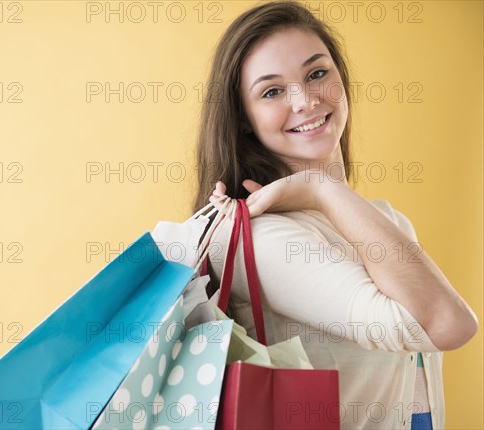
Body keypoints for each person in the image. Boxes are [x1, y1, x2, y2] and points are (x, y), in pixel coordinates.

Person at [192, 1, 479, 429]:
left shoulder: (385, 220)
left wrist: (329, 195)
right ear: (244, 119)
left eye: (317, 73)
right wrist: (324, 187)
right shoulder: (264, 240)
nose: (306, 100)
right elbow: (448, 324)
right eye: (271, 91)